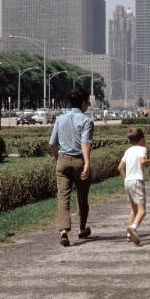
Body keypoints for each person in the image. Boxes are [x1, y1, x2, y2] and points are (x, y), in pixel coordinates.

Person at [49, 88, 94, 247]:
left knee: (63, 197)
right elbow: (85, 142)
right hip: (79, 161)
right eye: (87, 102)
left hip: (62, 161)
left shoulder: (60, 119)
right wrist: (87, 163)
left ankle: (63, 231)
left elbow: (53, 143)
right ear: (83, 103)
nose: (87, 105)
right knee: (82, 197)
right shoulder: (86, 120)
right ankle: (82, 228)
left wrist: (58, 159)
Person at [117, 128, 150, 246]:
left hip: (128, 181)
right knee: (142, 210)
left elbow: (120, 167)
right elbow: (143, 162)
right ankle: (133, 228)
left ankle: (129, 235)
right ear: (142, 139)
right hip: (137, 180)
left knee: (133, 209)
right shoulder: (142, 149)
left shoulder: (128, 150)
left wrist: (125, 180)